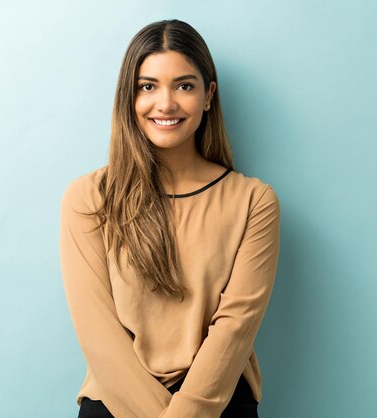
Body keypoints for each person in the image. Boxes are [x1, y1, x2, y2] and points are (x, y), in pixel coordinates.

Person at [59, 19, 281, 418]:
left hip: (220, 405)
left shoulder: (254, 202)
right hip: (114, 404)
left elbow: (234, 329)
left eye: (184, 85)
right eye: (148, 86)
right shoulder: (89, 199)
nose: (165, 103)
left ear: (209, 96)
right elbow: (98, 333)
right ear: (129, 96)